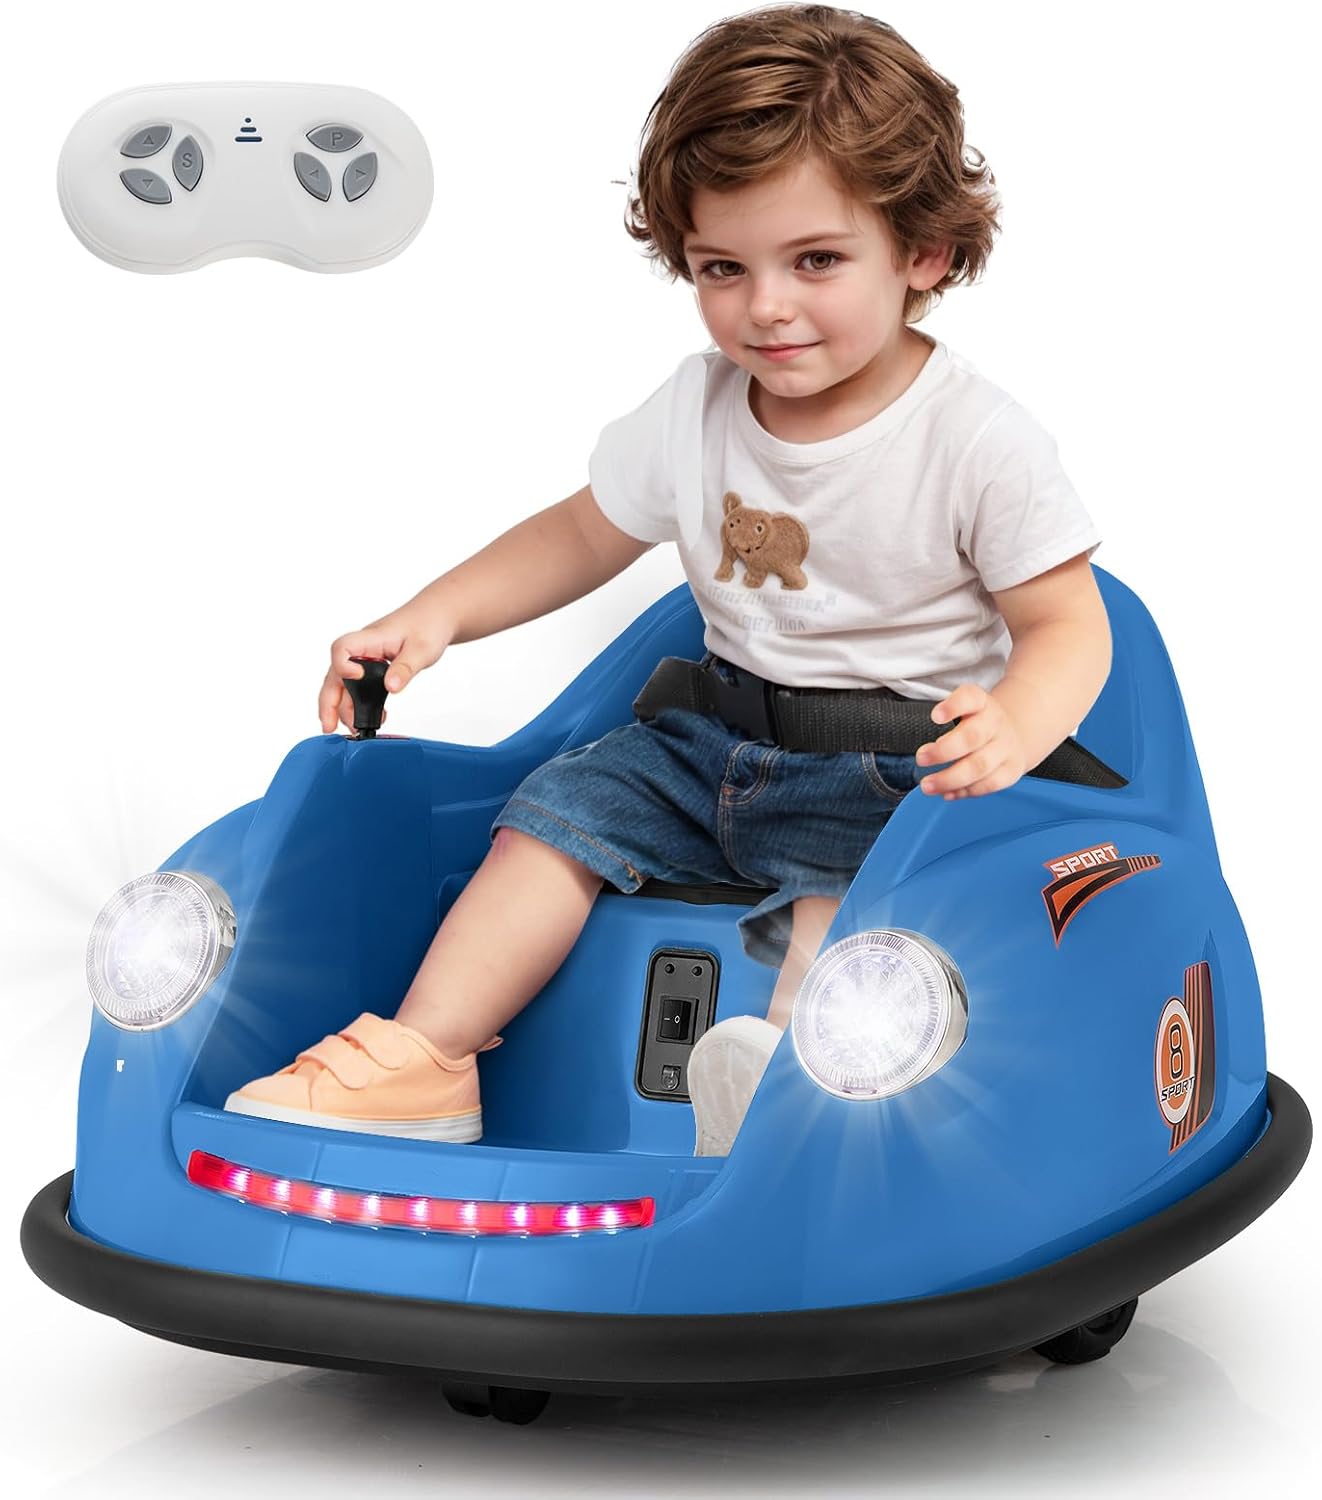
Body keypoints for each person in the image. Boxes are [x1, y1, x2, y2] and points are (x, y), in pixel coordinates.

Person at [225, 3, 1110, 1153]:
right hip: (709, 752)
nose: (765, 306)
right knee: (550, 820)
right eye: (721, 268)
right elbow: (579, 535)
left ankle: (787, 1100)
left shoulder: (975, 440)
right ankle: (425, 1060)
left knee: (853, 896)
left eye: (816, 260)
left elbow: (1067, 625)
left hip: (892, 768)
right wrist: (435, 615)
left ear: (922, 252)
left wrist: (1014, 724)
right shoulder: (697, 406)